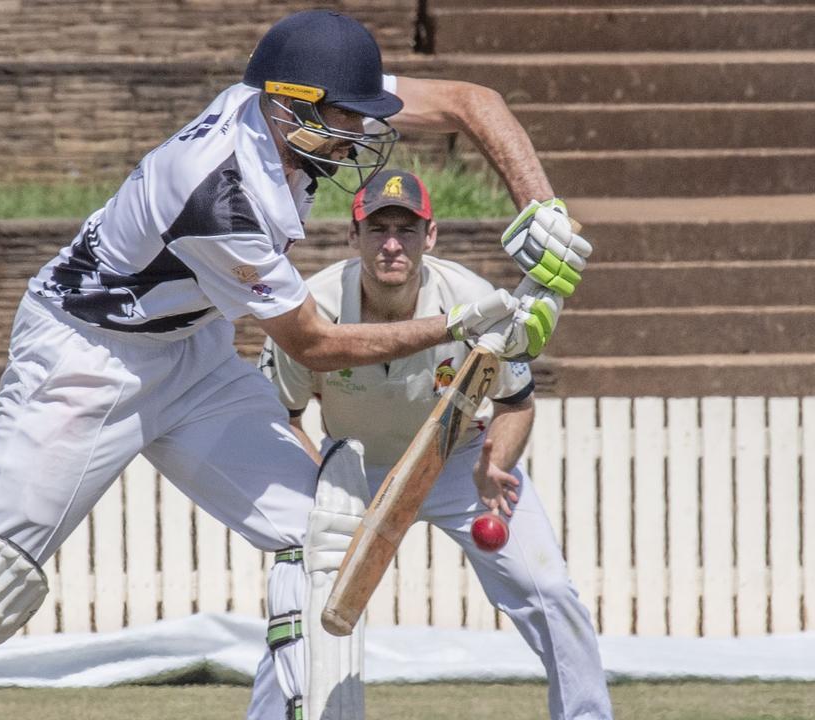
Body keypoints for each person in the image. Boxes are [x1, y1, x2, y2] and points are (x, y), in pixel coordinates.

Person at [0, 10, 590, 720]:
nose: (362, 132)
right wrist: (459, 322)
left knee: (321, 537)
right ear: (291, 104)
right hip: (85, 357)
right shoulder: (221, 196)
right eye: (347, 117)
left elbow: (469, 100)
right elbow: (313, 344)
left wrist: (542, 207)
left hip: (194, 353)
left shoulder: (290, 106)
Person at [257, 169, 612, 720]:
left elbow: (516, 402)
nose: (392, 244)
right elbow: (285, 418)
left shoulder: (473, 299)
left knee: (549, 592)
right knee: (302, 611)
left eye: (406, 229)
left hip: (460, 464)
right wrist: (321, 484)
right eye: (378, 230)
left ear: (431, 236)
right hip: (355, 473)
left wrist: (495, 460)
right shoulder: (316, 311)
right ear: (353, 237)